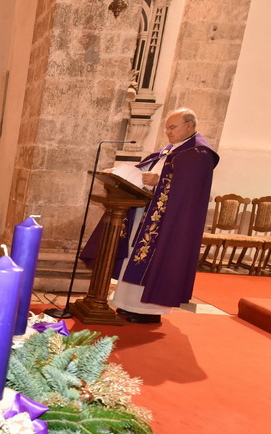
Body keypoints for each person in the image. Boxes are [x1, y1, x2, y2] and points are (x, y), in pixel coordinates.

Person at [82, 107, 219, 324]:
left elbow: (187, 192)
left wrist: (159, 182)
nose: (167, 131)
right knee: (134, 259)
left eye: (172, 127)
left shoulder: (199, 154)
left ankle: (149, 311)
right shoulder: (172, 150)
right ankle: (128, 305)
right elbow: (148, 170)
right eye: (166, 127)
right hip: (146, 214)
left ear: (190, 126)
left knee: (153, 261)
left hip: (169, 224)